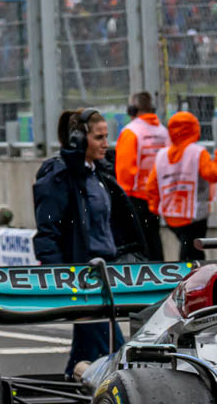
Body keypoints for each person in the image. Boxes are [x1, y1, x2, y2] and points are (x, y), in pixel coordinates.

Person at [33, 109, 148, 380]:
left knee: (85, 352)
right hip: (83, 279)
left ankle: (66, 400)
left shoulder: (100, 174)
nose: (106, 143)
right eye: (99, 137)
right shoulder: (58, 177)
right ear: (78, 139)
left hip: (107, 273)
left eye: (107, 136)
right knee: (119, 354)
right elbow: (46, 233)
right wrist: (61, 278)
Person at [144, 111, 217, 261]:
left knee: (187, 248)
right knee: (194, 254)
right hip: (194, 215)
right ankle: (191, 280)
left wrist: (155, 207)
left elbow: (151, 185)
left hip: (170, 215)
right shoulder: (198, 152)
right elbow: (212, 174)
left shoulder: (162, 155)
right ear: (195, 129)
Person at [114, 91, 168, 260]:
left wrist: (120, 199)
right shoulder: (163, 132)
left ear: (132, 109)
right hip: (156, 197)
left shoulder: (131, 132)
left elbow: (123, 170)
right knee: (154, 240)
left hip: (135, 198)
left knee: (138, 246)